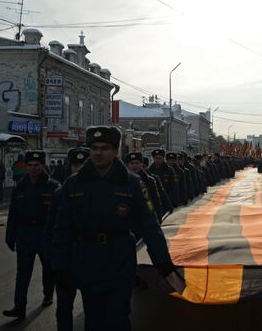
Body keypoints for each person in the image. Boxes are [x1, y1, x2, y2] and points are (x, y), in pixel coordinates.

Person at [51, 126, 175, 331]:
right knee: (93, 320)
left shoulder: (132, 184)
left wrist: (163, 263)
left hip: (119, 259)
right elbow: (62, 228)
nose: (98, 152)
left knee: (118, 319)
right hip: (87, 259)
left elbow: (149, 226)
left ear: (116, 151)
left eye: (105, 148)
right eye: (94, 148)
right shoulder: (74, 184)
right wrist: (60, 265)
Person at [3, 150, 60, 319]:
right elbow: (13, 213)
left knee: (48, 269)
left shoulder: (53, 186)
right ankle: (19, 306)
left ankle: (48, 294)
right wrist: (10, 235)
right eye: (30, 165)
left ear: (43, 166)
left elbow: (59, 215)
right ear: (26, 166)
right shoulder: (21, 186)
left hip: (45, 233)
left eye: (37, 165)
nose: (33, 169)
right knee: (22, 272)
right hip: (25, 233)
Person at [46, 147, 89, 331]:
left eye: (83, 165)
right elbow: (51, 230)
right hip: (66, 260)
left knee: (93, 310)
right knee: (63, 308)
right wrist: (54, 263)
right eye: (75, 165)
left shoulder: (103, 193)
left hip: (91, 260)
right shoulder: (60, 193)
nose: (78, 169)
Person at [125, 152, 165, 221]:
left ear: (141, 164)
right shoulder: (122, 180)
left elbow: (156, 200)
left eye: (137, 163)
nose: (134, 166)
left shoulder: (149, 180)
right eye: (131, 163)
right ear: (127, 165)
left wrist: (158, 217)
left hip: (145, 217)